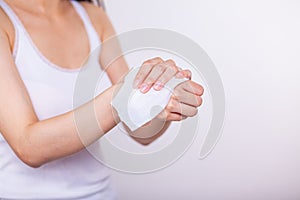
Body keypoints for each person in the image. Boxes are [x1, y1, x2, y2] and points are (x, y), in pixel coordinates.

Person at [0, 0, 204, 199]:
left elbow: (141, 132)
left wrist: (161, 101)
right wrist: (120, 98)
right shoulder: (4, 20)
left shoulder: (94, 16)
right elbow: (28, 147)